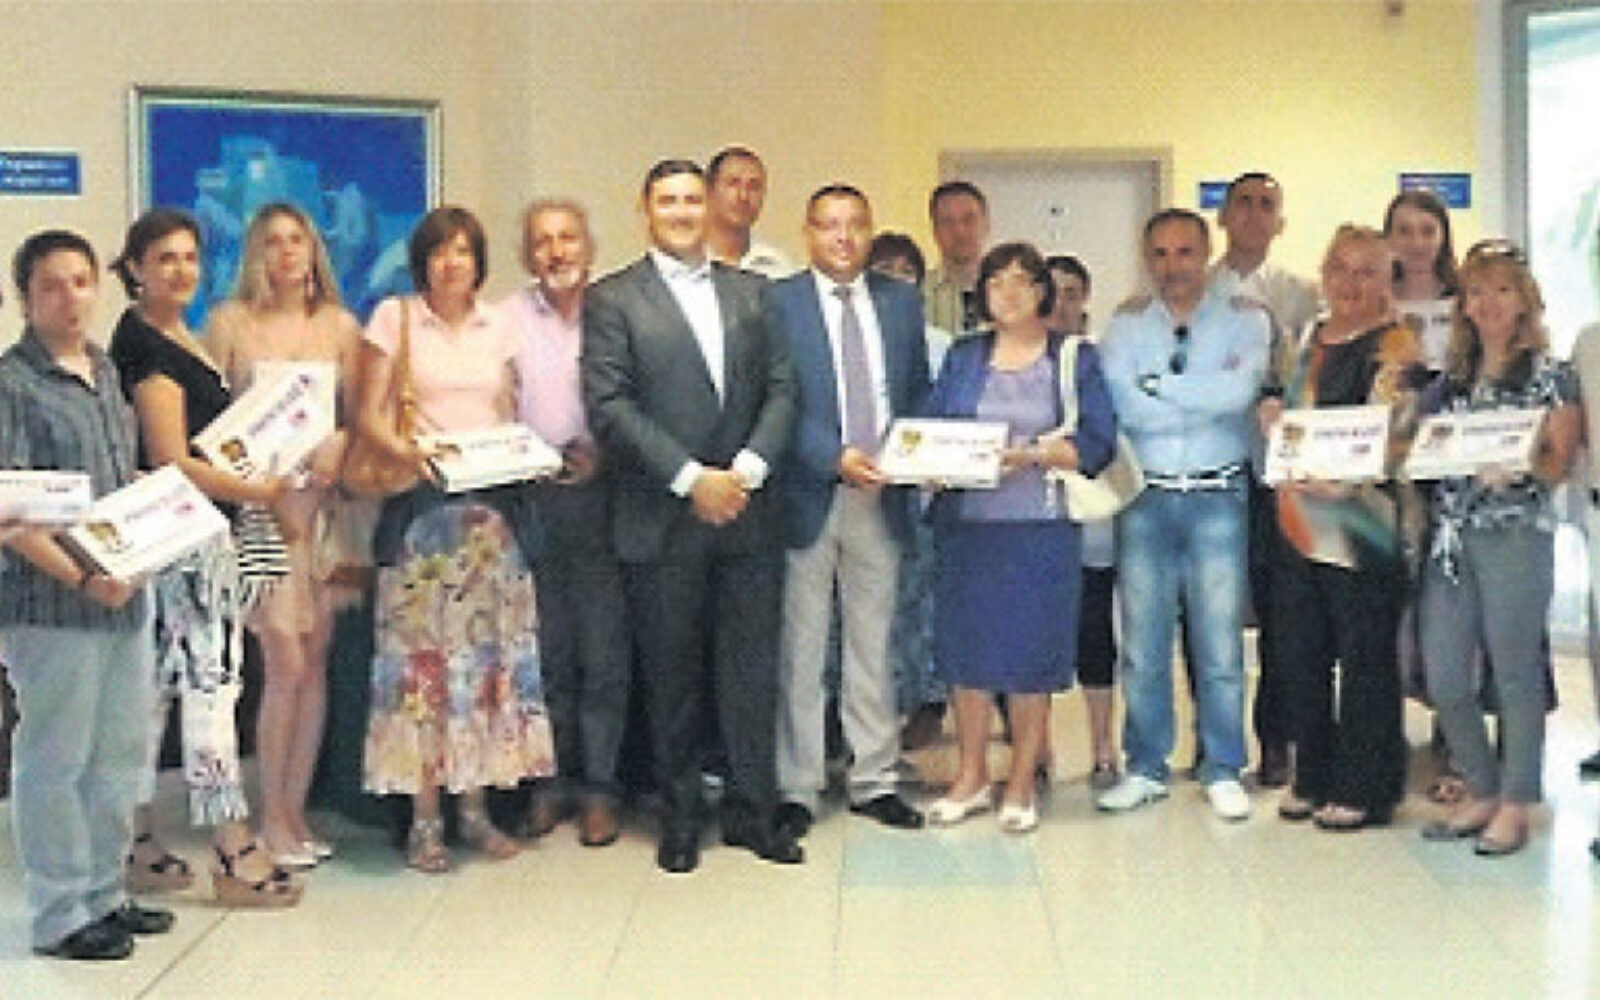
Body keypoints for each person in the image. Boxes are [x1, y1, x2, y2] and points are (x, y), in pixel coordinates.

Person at [582, 159, 799, 874]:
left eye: (691, 200)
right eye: (667, 200)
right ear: (645, 210)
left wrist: (747, 471)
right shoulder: (613, 298)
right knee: (671, 680)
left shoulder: (754, 292)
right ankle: (680, 819)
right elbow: (610, 406)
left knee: (750, 674)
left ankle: (754, 812)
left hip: (748, 511)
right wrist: (689, 479)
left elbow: (782, 388)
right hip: (661, 515)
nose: (681, 211)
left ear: (709, 208)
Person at [108, 209, 304, 907]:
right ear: (135, 268)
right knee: (210, 690)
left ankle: (133, 838)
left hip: (191, 540)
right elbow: (172, 460)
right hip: (185, 545)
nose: (181, 270)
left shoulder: (175, 335)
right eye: (165, 258)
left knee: (158, 693)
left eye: (190, 257)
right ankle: (231, 846)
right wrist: (259, 489)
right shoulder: (147, 348)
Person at [357, 205, 554, 872]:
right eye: (440, 252)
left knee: (484, 667)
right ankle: (424, 822)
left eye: (464, 251)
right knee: (424, 672)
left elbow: (513, 410)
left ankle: (475, 811)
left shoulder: (500, 325)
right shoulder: (395, 319)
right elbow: (368, 416)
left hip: (491, 519)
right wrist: (412, 455)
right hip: (422, 514)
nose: (452, 263)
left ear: (479, 261)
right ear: (423, 261)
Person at [1, 229, 175, 959]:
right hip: (53, 608)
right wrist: (83, 577)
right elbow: (10, 514)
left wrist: (154, 512)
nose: (69, 298)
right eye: (50, 285)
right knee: (56, 760)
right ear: (24, 298)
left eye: (80, 281)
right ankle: (60, 915)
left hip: (124, 596)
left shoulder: (104, 370)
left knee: (118, 758)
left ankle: (106, 894)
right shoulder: (13, 384)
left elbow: (107, 481)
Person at [921, 242, 1116, 833]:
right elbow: (935, 424)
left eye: (1021, 282)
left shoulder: (1073, 356)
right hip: (966, 528)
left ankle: (1023, 779)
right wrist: (928, 461)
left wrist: (1029, 455)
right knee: (967, 656)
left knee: (1031, 657)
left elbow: (1099, 440)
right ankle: (971, 774)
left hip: (1040, 529)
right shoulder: (964, 355)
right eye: (996, 282)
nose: (1007, 294)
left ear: (1042, 292)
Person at [1096, 208, 1271, 821]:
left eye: (1185, 252)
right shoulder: (1123, 327)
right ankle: (1145, 766)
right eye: (1161, 254)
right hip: (1145, 498)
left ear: (1206, 253)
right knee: (1143, 646)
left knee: (1219, 645)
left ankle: (1223, 766)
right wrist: (1198, 393)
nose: (1173, 266)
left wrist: (1158, 386)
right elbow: (1124, 408)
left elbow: (1237, 395)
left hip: (1218, 497)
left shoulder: (1245, 320)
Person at [768, 185, 930, 839]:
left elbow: (915, 391)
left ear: (869, 231)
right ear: (808, 233)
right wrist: (831, 457)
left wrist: (915, 454)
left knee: (873, 645)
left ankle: (874, 779)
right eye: (829, 225)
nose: (843, 237)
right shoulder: (778, 301)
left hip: (881, 495)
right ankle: (798, 785)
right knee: (801, 650)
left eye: (855, 225)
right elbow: (775, 399)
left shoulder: (900, 301)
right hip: (807, 491)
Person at [206, 203, 362, 869]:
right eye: (272, 241)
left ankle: (296, 812)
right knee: (283, 662)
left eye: (297, 239)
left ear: (314, 249)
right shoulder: (229, 322)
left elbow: (359, 414)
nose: (286, 252)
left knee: (315, 660)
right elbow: (208, 418)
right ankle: (268, 813)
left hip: (324, 513)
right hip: (262, 513)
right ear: (255, 252)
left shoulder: (340, 326)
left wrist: (340, 444)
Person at [1417, 240, 1579, 857]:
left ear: (1524, 302)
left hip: (1515, 535)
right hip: (1452, 538)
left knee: (1514, 672)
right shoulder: (1452, 381)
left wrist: (1520, 462)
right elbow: (1418, 445)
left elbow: (1559, 462)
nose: (1487, 303)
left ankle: (1515, 800)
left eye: (1502, 290)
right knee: (1444, 673)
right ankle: (1480, 786)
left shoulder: (1550, 375)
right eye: (1476, 291)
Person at [1265, 225, 1422, 830]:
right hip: (1299, 520)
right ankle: (1312, 774)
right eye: (1340, 268)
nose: (1350, 283)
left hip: (1363, 523)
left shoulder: (1398, 345)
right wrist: (1271, 414)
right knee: (1300, 652)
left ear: (1387, 280)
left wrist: (1347, 478)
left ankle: (1364, 786)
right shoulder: (1307, 336)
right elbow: (1284, 403)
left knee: (1364, 657)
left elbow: (1399, 435)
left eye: (1366, 271)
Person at [501, 198, 631, 847]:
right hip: (533, 499)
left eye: (568, 238)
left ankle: (601, 788)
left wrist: (604, 453)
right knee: (545, 650)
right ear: (527, 255)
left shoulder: (616, 311)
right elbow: (497, 402)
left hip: (607, 495)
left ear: (590, 246)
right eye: (543, 241)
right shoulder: (506, 319)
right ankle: (549, 784)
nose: (557, 251)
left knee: (604, 652)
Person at [1211, 172, 1322, 788]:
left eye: (1267, 206)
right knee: (1210, 614)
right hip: (1213, 469)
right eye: (1244, 204)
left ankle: (1275, 739)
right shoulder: (1198, 288)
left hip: (1277, 476)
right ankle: (1214, 741)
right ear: (1223, 217)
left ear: (1281, 221)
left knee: (1281, 614)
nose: (1254, 215)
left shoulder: (1302, 295)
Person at [868, 232, 950, 751]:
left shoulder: (940, 344)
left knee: (921, 605)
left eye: (906, 271)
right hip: (861, 490)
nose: (897, 280)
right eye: (885, 270)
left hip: (922, 496)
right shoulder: (851, 335)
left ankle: (926, 703)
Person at [1045, 253, 1118, 789]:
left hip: (1090, 511)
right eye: (1053, 291)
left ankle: (1103, 745)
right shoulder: (1017, 356)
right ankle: (1037, 748)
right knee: (1036, 633)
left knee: (1094, 628)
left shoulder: (1099, 357)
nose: (1061, 303)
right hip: (1033, 515)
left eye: (1072, 292)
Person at [1385, 188, 1459, 374]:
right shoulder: (1374, 305)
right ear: (1389, 238)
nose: (1417, 243)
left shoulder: (1467, 302)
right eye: (1404, 231)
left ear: (1444, 237)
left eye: (1428, 231)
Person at [704, 145, 793, 278]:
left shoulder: (777, 268)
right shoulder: (687, 261)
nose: (743, 196)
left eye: (754, 186)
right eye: (733, 183)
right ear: (708, 191)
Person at [924, 181, 990, 335]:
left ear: (986, 224)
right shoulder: (918, 295)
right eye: (947, 222)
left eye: (969, 219)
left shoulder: (1010, 291)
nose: (959, 231)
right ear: (934, 231)